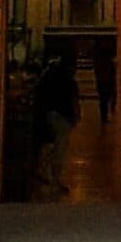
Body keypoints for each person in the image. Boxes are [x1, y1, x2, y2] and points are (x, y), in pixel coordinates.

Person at [35, 50, 80, 196]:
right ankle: (53, 180)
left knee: (51, 146)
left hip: (50, 115)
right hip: (62, 118)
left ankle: (44, 171)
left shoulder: (51, 77)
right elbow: (74, 102)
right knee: (59, 149)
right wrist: (77, 116)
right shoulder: (69, 82)